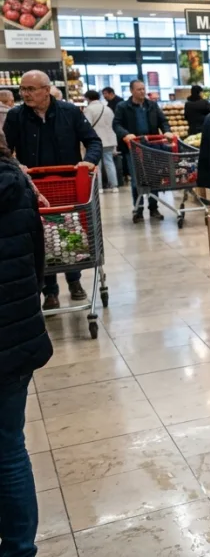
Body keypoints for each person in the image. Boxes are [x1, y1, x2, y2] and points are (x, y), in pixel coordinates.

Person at [3, 71, 102, 310]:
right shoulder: (16, 116)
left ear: (46, 90)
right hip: (35, 190)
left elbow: (93, 141)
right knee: (43, 237)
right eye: (23, 90)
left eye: (31, 89)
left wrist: (89, 160)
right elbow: (4, 150)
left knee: (70, 233)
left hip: (68, 186)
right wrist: (17, 165)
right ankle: (50, 290)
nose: (25, 94)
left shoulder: (69, 112)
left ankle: (75, 281)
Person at [0, 135, 53, 557]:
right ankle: (19, 548)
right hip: (17, 334)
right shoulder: (17, 183)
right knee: (10, 448)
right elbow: (37, 260)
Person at [113, 79, 173, 223]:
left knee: (154, 177)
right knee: (137, 180)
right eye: (139, 89)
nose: (142, 91)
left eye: (143, 89)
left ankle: (153, 208)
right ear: (132, 91)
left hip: (152, 147)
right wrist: (125, 134)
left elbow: (162, 121)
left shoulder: (151, 105)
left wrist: (167, 131)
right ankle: (138, 210)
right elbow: (116, 124)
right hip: (133, 148)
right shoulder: (123, 107)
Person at [82, 90, 119, 193]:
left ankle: (99, 187)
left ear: (88, 98)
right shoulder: (107, 109)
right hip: (110, 139)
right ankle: (114, 186)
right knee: (109, 163)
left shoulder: (89, 110)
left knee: (96, 164)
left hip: (96, 141)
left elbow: (87, 126)